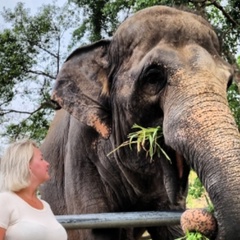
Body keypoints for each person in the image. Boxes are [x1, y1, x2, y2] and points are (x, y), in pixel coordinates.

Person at [0, 139, 67, 240]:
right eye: (41, 159)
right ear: (27, 164)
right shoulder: (4, 200)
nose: (47, 163)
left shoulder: (45, 206)